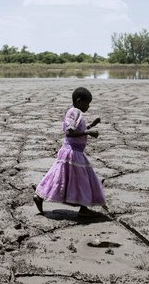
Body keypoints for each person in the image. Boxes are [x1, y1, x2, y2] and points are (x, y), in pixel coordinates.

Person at [33, 87, 106, 217]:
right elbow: (70, 132)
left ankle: (83, 208)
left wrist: (91, 126)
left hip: (73, 151)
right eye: (87, 103)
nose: (88, 106)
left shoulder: (75, 112)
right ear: (79, 101)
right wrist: (88, 132)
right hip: (72, 152)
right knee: (77, 179)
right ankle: (40, 196)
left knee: (70, 178)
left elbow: (77, 129)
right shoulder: (74, 112)